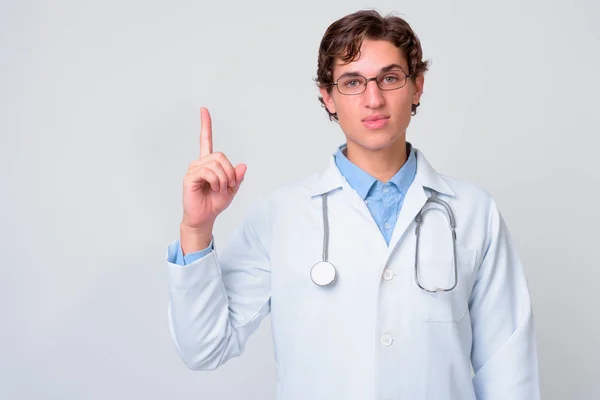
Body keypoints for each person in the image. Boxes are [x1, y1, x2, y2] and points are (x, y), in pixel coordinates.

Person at [165, 9, 540, 400]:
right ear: (327, 97)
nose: (373, 99)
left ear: (417, 87)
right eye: (352, 82)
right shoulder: (280, 215)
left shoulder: (473, 212)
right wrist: (196, 229)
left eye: (390, 78)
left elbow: (508, 369)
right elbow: (204, 348)